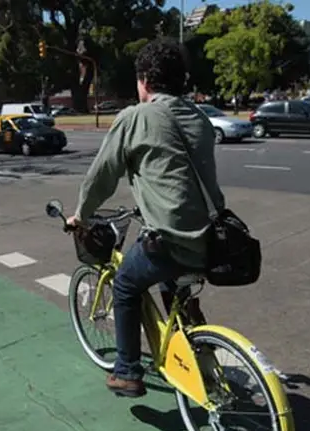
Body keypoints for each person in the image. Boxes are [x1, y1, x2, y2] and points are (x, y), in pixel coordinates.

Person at [66, 38, 225, 398]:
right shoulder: (199, 118)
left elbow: (101, 178)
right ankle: (199, 355)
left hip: (170, 241)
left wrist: (81, 215)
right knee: (175, 288)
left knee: (125, 284)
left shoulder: (135, 117)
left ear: (144, 81)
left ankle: (127, 371)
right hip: (212, 239)